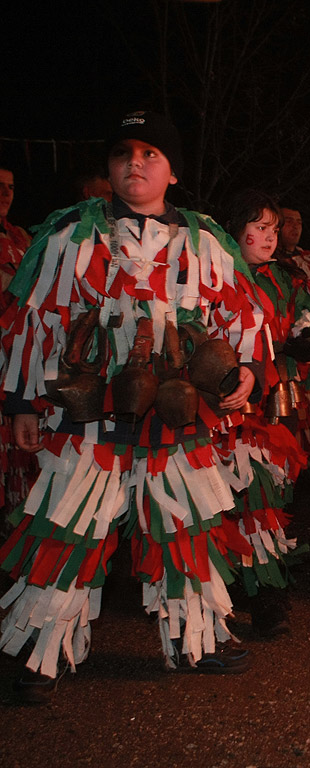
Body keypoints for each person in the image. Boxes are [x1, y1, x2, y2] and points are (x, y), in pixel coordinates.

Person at [0, 111, 266, 704]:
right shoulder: (71, 235)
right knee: (73, 524)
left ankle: (195, 641)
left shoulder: (204, 241)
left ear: (172, 171)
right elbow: (33, 321)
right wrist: (21, 403)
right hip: (88, 414)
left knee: (181, 524)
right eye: (124, 153)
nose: (136, 163)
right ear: (110, 168)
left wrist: (246, 368)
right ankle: (46, 651)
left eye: (150, 153)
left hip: (174, 412)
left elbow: (243, 315)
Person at [218, 189, 310, 636]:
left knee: (262, 501)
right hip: (212, 413)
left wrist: (309, 337)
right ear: (236, 229)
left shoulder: (285, 280)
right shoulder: (211, 273)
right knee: (213, 506)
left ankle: (268, 600)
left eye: (274, 229)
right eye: (260, 227)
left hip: (265, 416)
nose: (270, 237)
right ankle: (212, 601)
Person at [0, 164, 38, 525]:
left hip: (17, 357)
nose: (5, 194)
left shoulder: (22, 239)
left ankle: (16, 523)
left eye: (10, 187)